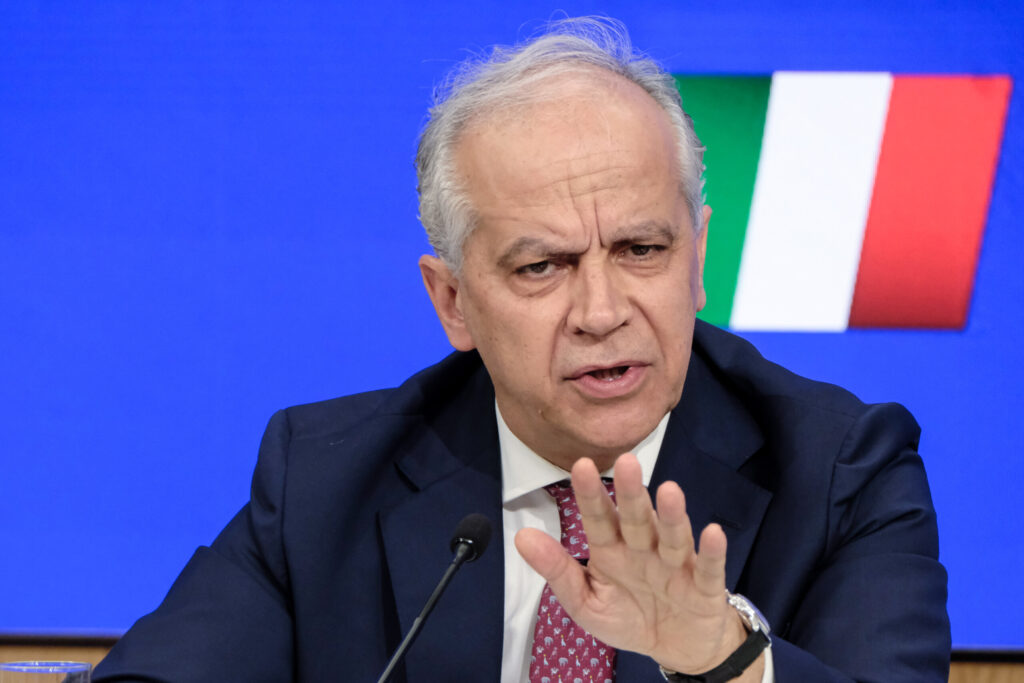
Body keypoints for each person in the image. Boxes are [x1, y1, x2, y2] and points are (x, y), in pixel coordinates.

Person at [94, 16, 950, 683]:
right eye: (542, 266)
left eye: (642, 249)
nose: (602, 311)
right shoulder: (326, 480)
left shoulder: (841, 471)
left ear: (696, 261)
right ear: (453, 301)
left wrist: (722, 656)